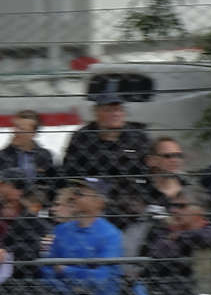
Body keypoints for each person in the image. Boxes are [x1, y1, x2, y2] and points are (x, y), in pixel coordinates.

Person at [59, 90, 151, 225]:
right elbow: (69, 174)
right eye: (109, 110)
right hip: (91, 200)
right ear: (96, 112)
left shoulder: (138, 137)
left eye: (119, 109)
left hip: (130, 200)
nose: (116, 114)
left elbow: (150, 171)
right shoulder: (82, 138)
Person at [44, 183, 128, 295]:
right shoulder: (61, 230)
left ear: (98, 202)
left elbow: (102, 278)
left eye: (80, 194)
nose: (73, 198)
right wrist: (65, 292)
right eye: (74, 193)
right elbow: (47, 269)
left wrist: (66, 270)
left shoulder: (110, 235)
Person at [0, 111, 63, 193]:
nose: (16, 131)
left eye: (22, 129)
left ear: (33, 133)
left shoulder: (45, 156)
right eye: (15, 127)